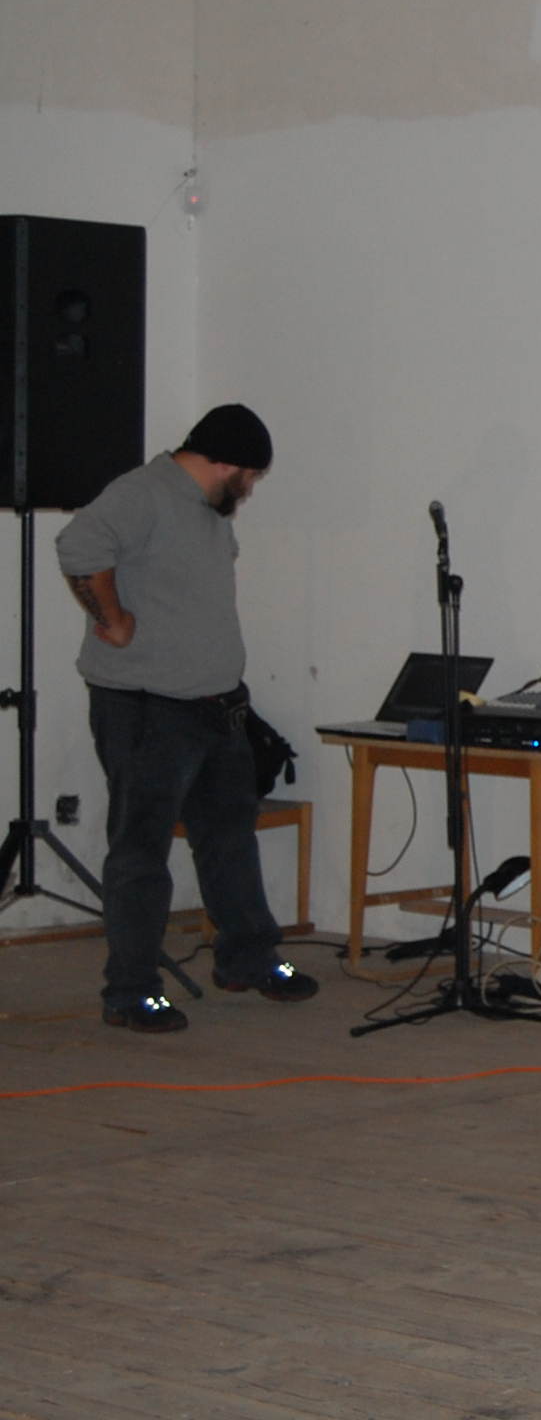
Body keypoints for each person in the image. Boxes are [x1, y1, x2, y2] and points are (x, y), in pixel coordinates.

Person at [55, 404, 317, 1033]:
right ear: (226, 462)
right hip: (148, 711)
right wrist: (112, 620)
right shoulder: (144, 493)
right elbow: (78, 548)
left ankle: (249, 958)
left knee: (229, 838)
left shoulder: (205, 509)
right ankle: (131, 992)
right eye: (250, 476)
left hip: (216, 707)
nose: (249, 488)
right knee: (141, 852)